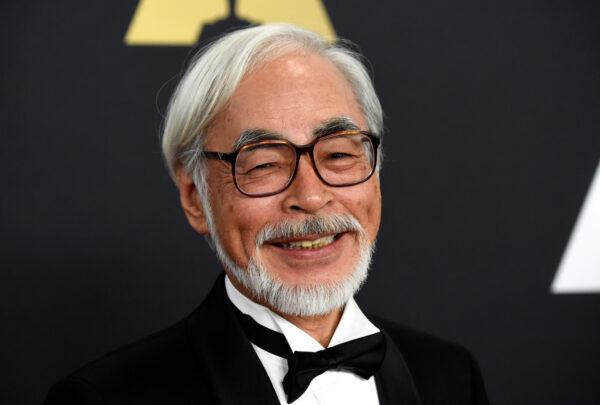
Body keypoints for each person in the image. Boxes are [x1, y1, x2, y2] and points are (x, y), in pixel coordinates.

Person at [45, 23, 488, 405]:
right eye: (263, 164)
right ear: (195, 197)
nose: (310, 197)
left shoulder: (450, 377)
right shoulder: (105, 398)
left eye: (338, 154)